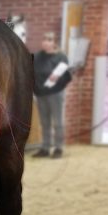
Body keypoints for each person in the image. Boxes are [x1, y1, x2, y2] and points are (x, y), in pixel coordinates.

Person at [32, 31, 71, 159]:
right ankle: (45, 148)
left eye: (49, 40)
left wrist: (57, 78)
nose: (45, 42)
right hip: (40, 93)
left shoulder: (61, 57)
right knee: (44, 122)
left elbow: (67, 76)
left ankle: (58, 148)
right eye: (44, 39)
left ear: (54, 42)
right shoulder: (36, 56)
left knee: (58, 122)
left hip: (56, 93)